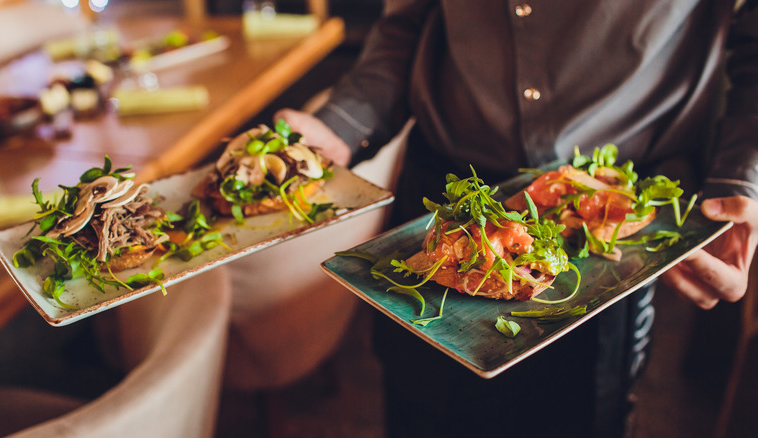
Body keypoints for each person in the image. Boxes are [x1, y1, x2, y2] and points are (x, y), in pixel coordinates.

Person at [276, 1, 758, 436]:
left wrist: (740, 181)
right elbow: (409, 20)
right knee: (419, 410)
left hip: (609, 221)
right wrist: (342, 124)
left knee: (578, 416)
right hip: (445, 195)